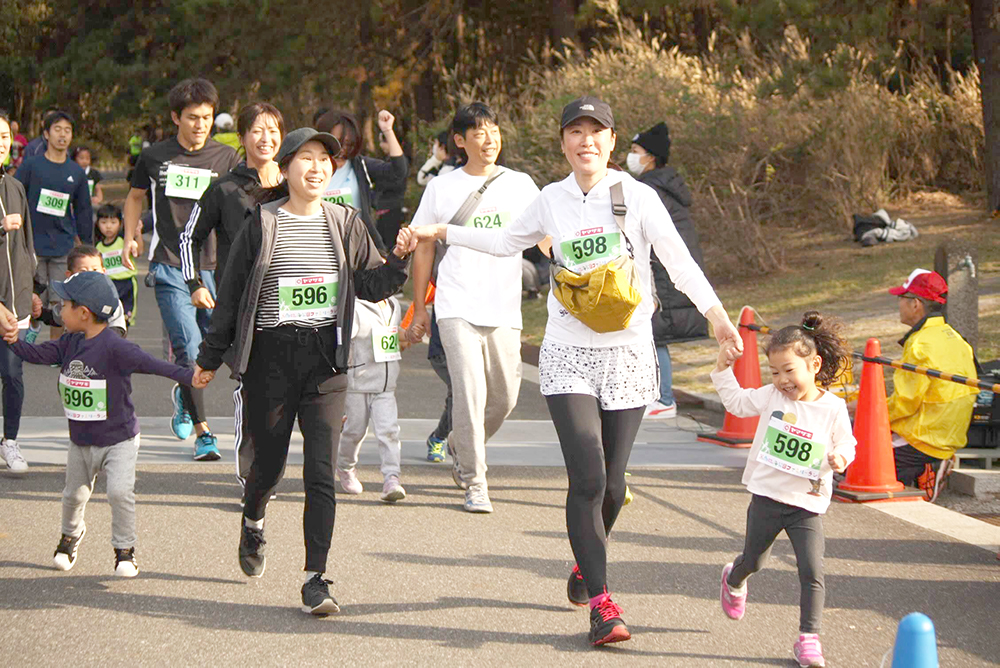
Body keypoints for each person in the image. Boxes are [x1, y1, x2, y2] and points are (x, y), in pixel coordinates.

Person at [407, 96, 741, 645]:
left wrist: (719, 319)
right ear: (563, 142)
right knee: (587, 477)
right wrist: (444, 232)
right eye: (576, 132)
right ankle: (604, 606)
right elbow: (503, 242)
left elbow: (679, 263)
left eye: (596, 131)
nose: (587, 141)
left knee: (613, 483)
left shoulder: (638, 197)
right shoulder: (550, 199)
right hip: (567, 353)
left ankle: (586, 565)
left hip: (628, 352)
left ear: (612, 141)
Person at [193, 128, 412, 615]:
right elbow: (231, 296)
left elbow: (371, 285)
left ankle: (316, 578)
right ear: (287, 167)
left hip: (326, 362)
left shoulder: (345, 222)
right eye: (307, 159)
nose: (317, 168)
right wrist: (209, 358)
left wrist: (398, 258)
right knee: (268, 467)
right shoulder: (262, 222)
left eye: (325, 160)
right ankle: (253, 521)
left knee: (320, 473)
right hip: (271, 360)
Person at [5, 271, 206, 577]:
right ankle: (70, 536)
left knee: (119, 492)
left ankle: (125, 551)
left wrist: (191, 376)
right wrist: (11, 341)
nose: (59, 310)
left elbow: (154, 365)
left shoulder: (116, 347)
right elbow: (35, 354)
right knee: (73, 495)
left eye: (64, 305)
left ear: (84, 313)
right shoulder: (68, 343)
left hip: (119, 440)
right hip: (81, 441)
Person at [408, 102, 541, 514]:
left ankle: (458, 443)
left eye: (494, 131)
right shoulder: (441, 187)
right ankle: (474, 480)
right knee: (469, 393)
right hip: (456, 305)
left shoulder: (521, 184)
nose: (489, 140)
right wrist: (419, 307)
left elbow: (546, 235)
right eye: (479, 133)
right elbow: (423, 245)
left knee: (504, 399)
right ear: (460, 141)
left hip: (504, 307)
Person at [712, 311, 856, 668]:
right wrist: (722, 369)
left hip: (806, 504)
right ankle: (734, 578)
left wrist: (840, 457)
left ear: (814, 365)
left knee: (812, 571)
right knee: (754, 561)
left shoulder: (833, 408)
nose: (782, 381)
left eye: (789, 370)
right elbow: (737, 403)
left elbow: (847, 443)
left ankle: (809, 639)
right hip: (767, 496)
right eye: (774, 372)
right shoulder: (771, 397)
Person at [121, 77, 239, 461]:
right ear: (176, 117)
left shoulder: (227, 158)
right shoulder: (155, 156)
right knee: (188, 349)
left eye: (206, 117)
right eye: (192, 117)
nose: (201, 125)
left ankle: (183, 393)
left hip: (215, 267)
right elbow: (135, 197)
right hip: (170, 264)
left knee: (217, 351)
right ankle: (204, 433)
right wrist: (129, 237)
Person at [179, 102, 284, 489]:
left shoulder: (292, 185)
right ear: (241, 137)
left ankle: (269, 470)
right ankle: (252, 477)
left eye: (273, 130)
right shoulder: (224, 188)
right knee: (253, 390)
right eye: (257, 130)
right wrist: (195, 283)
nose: (266, 138)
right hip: (241, 309)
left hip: (288, 306)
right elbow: (189, 237)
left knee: (281, 395)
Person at [627, 122, 709, 420]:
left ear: (650, 157)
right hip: (664, 272)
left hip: (661, 273)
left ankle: (663, 398)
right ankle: (656, 396)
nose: (630, 156)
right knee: (651, 333)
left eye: (635, 151)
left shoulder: (651, 189)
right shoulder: (664, 185)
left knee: (655, 334)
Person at [887, 269, 977, 502]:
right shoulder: (954, 337)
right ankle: (930, 469)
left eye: (902, 298)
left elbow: (905, 403)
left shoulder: (920, 343)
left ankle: (922, 473)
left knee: (856, 451)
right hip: (949, 435)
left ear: (915, 304)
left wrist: (870, 414)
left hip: (923, 438)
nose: (899, 304)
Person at [15, 110, 93, 340]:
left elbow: (83, 211)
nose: (62, 135)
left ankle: (55, 349)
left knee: (60, 302)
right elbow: (14, 195)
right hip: (32, 246)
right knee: (31, 299)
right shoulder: (31, 166)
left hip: (63, 246)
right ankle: (27, 339)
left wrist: (87, 246)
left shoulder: (76, 172)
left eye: (67, 131)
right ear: (46, 134)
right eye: (57, 129)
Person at [335, 295, 409, 503]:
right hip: (358, 384)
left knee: (389, 431)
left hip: (386, 386)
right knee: (354, 431)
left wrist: (407, 335)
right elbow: (343, 338)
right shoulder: (355, 306)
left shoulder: (393, 305)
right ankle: (345, 467)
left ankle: (391, 479)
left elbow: (393, 334)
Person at [0, 111, 39, 473]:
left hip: (18, 305)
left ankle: (9, 441)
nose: (1, 143)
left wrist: (33, 290)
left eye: (4, 137)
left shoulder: (15, 187)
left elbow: (26, 246)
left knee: (13, 375)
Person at [314, 109, 408, 251]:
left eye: (347, 143)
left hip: (358, 248)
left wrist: (388, 130)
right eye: (336, 141)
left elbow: (398, 171)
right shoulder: (310, 169)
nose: (341, 149)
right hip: (321, 246)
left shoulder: (360, 165)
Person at [34, 245, 129, 338]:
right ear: (70, 275)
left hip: (101, 345)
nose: (90, 274)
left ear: (104, 272)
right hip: (73, 344)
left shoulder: (110, 299)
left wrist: (103, 342)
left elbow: (118, 328)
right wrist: (41, 313)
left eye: (95, 270)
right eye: (83, 271)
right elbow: (58, 316)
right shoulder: (69, 298)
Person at [94, 205, 137, 327]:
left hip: (126, 284)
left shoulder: (125, 242)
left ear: (120, 223)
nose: (108, 226)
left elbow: (139, 251)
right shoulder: (98, 247)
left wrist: (138, 235)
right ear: (97, 224)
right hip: (108, 285)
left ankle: (122, 337)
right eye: (104, 222)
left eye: (113, 222)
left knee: (125, 319)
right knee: (107, 318)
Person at [372, 132, 408, 255]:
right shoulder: (386, 161)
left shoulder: (400, 164)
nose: (381, 145)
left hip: (392, 210)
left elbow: (397, 184)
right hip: (383, 211)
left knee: (390, 247)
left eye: (383, 141)